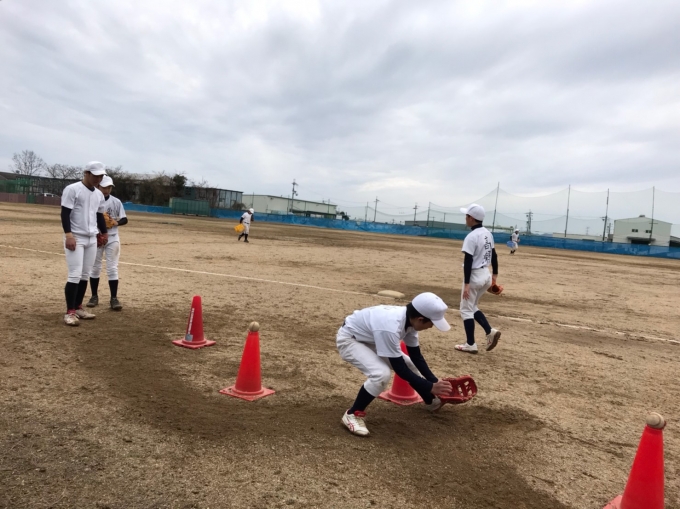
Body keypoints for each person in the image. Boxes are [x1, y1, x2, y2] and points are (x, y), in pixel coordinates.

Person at [337, 292, 454, 437]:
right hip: (350, 340)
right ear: (420, 319)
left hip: (371, 338)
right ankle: (352, 414)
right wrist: (430, 386)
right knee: (381, 374)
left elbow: (416, 356)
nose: (432, 326)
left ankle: (431, 401)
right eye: (432, 323)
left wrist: (434, 381)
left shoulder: (410, 321)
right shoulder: (390, 326)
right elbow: (400, 369)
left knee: (410, 364)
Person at [60, 162, 108, 326]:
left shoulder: (99, 194)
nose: (98, 179)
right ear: (86, 173)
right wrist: (68, 235)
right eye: (95, 175)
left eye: (101, 176)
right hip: (76, 237)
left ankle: (78, 307)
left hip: (91, 238)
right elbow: (65, 213)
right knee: (75, 273)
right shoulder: (73, 189)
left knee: (85, 274)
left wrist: (104, 233)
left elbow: (99, 216)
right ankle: (70, 312)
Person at [454, 204, 502, 354]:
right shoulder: (487, 233)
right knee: (472, 306)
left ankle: (471, 344)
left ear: (472, 218)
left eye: (467, 216)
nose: (465, 218)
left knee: (465, 309)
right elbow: (494, 255)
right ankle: (489, 331)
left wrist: (467, 284)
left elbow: (468, 260)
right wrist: (494, 275)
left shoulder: (471, 236)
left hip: (474, 276)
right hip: (485, 275)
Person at [87, 175, 128, 311]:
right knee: (95, 268)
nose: (107, 190)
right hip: (96, 237)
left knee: (112, 268)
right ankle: (94, 296)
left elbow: (124, 219)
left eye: (109, 187)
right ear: (98, 186)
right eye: (104, 187)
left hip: (112, 237)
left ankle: (114, 298)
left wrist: (116, 222)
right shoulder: (92, 200)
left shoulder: (116, 201)